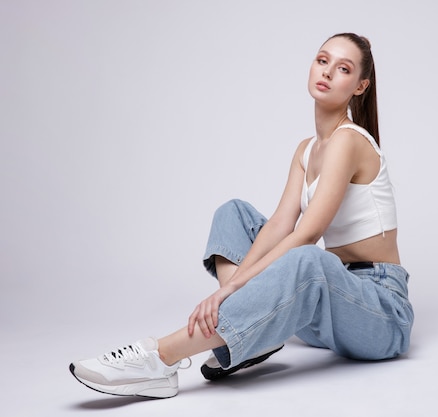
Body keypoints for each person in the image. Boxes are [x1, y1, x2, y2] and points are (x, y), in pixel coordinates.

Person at [69, 32, 414, 398]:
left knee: (309, 260)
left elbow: (306, 234)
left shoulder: (349, 140)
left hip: (379, 313)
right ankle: (255, 333)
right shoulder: (306, 149)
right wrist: (242, 291)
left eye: (343, 69)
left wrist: (233, 287)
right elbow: (282, 224)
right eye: (322, 60)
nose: (327, 72)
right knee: (233, 214)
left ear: (360, 86)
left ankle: (160, 358)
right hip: (322, 311)